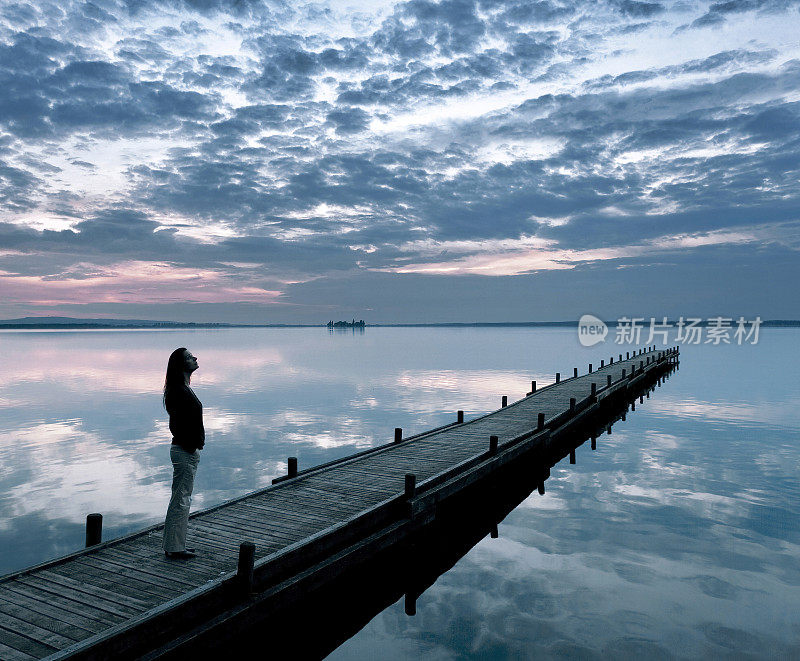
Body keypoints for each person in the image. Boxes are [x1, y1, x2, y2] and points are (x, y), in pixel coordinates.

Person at [162, 347, 204, 559]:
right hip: (183, 450)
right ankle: (175, 548)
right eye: (189, 357)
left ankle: (174, 544)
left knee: (180, 498)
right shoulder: (178, 390)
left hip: (186, 449)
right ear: (180, 365)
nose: (195, 358)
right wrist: (191, 445)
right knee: (181, 499)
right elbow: (176, 424)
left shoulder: (183, 388)